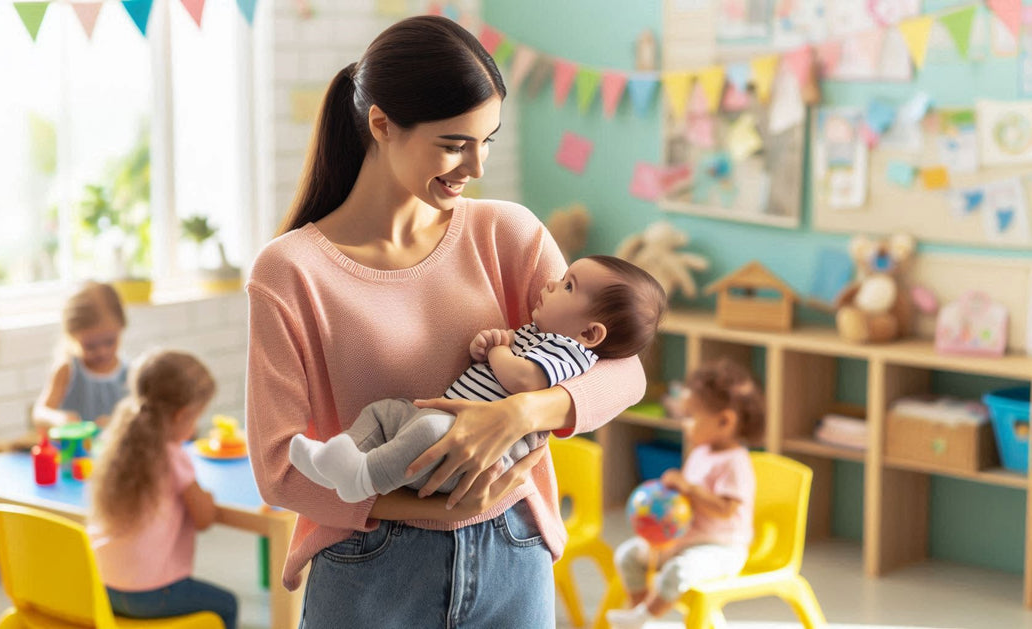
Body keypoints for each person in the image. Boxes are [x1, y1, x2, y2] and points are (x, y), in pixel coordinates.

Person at [245, 14, 647, 627]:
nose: (476, 166)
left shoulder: (506, 233)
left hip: (512, 551)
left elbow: (624, 371)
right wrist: (434, 507)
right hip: (370, 564)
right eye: (455, 144)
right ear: (382, 124)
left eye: (488, 140)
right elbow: (279, 469)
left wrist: (520, 413)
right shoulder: (290, 272)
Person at [289, 255, 666, 503]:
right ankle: (335, 459)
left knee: (426, 431)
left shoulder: (570, 351)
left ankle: (362, 478)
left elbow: (523, 379)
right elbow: (503, 362)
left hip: (479, 456)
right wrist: (491, 345)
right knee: (385, 412)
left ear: (590, 333)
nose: (551, 283)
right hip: (445, 422)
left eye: (568, 285)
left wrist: (499, 351)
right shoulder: (540, 334)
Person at [606, 358, 766, 629]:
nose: (685, 424)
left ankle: (644, 617)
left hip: (722, 548)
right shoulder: (700, 452)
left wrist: (689, 489)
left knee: (678, 570)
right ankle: (638, 609)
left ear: (725, 421)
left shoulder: (735, 462)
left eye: (691, 416)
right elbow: (686, 501)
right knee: (627, 555)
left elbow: (726, 510)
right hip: (684, 540)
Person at [87, 350, 238, 629]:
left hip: (102, 586)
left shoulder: (119, 444)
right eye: (195, 418)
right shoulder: (172, 456)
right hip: (151, 595)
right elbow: (204, 519)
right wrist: (207, 498)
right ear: (181, 415)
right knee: (228, 604)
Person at [32, 281, 128, 431]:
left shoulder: (128, 373)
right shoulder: (68, 370)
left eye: (110, 342)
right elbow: (39, 413)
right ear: (72, 337)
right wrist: (59, 418)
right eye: (90, 346)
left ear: (121, 328)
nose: (102, 352)